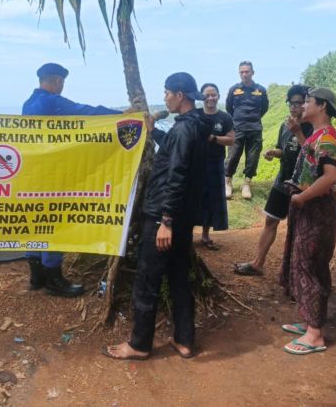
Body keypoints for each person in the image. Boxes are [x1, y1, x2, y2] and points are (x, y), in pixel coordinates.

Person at [102, 72, 210, 360]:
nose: (165, 98)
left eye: (167, 93)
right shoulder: (197, 125)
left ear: (180, 95)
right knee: (178, 277)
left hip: (164, 216)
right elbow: (177, 152)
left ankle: (139, 344)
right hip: (184, 217)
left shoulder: (184, 129)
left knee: (147, 279)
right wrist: (153, 131)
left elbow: (177, 176)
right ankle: (184, 339)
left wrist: (166, 221)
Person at [22, 62, 121, 297]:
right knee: (54, 221)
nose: (62, 86)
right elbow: (87, 112)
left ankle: (36, 275)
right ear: (57, 81)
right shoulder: (51, 101)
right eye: (62, 82)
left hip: (32, 171)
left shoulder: (28, 104)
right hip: (51, 172)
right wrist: (122, 115)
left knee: (36, 219)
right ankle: (53, 278)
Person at [279, 87, 336, 355]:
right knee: (305, 263)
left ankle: (315, 335)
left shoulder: (327, 138)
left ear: (322, 106)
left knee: (311, 266)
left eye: (308, 101)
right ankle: (309, 321)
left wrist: (302, 197)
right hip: (309, 208)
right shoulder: (317, 135)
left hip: (318, 210)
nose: (303, 106)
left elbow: (331, 177)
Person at [234, 84, 313, 276]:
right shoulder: (285, 126)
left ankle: (298, 274)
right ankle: (257, 263)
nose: (294, 107)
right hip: (283, 180)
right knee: (270, 221)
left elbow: (312, 157)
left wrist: (298, 132)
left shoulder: (312, 127)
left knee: (300, 229)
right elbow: (284, 150)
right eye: (291, 103)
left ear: (306, 104)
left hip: (303, 185)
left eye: (298, 103)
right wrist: (274, 153)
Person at [224, 61, 269, 200]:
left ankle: (247, 184)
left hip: (255, 128)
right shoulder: (234, 89)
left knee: (253, 157)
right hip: (237, 128)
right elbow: (229, 107)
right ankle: (227, 182)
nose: (244, 74)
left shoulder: (260, 90)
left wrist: (254, 118)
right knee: (233, 156)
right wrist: (238, 120)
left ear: (252, 72)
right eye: (242, 72)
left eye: (247, 71)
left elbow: (265, 107)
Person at [198, 83, 235, 250]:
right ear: (202, 97)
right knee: (193, 196)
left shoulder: (225, 117)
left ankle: (205, 235)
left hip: (215, 162)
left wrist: (213, 138)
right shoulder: (196, 115)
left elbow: (231, 140)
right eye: (207, 95)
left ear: (218, 96)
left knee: (211, 198)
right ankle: (187, 233)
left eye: (213, 95)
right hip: (196, 162)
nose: (210, 98)